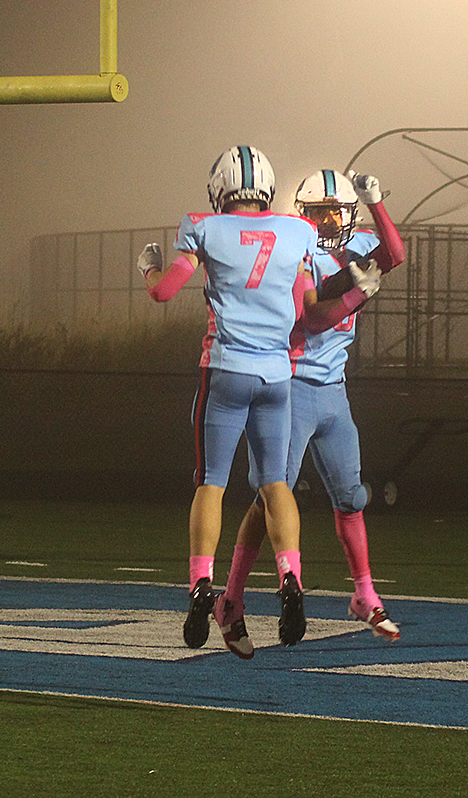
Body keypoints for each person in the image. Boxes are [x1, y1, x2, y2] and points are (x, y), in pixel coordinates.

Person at [213, 168, 407, 659]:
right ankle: (231, 598)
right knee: (269, 496)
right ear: (303, 216)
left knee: (351, 495)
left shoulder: (354, 241)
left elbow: (395, 255)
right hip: (293, 385)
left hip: (333, 393)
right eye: (317, 213)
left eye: (335, 211)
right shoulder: (294, 248)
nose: (326, 222)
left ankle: (363, 594)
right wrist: (355, 294)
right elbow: (311, 316)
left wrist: (377, 202)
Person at [136, 145, 318, 650]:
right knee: (276, 484)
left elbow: (165, 292)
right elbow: (310, 310)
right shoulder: (298, 232)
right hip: (277, 376)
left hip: (226, 370)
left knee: (211, 483)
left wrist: (149, 267)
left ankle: (200, 585)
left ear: (220, 189)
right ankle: (290, 578)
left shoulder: (204, 226)